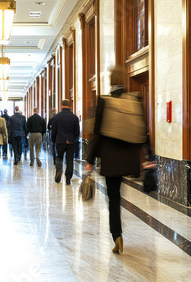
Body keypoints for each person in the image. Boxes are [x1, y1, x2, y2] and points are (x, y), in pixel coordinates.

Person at [85, 66, 145, 254]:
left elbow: (98, 133)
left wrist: (89, 159)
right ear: (125, 80)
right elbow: (142, 128)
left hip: (111, 160)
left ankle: (117, 234)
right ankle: (118, 229)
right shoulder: (134, 99)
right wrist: (147, 155)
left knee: (113, 198)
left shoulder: (104, 100)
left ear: (110, 81)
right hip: (129, 159)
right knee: (119, 194)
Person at [52, 99, 80, 185]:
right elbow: (77, 132)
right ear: (70, 105)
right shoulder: (74, 118)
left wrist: (54, 140)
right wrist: (72, 140)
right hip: (70, 142)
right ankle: (68, 179)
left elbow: (54, 131)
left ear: (61, 105)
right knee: (69, 160)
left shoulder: (56, 117)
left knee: (59, 157)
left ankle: (59, 170)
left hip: (60, 141)